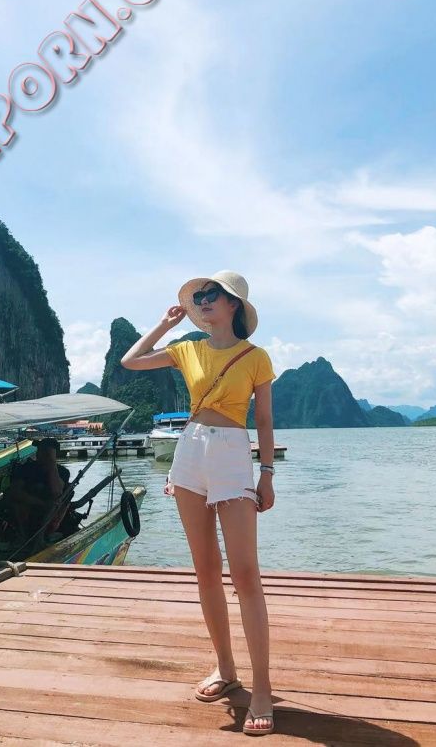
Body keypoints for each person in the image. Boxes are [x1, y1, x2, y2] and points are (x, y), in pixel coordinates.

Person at [121, 270, 277, 736]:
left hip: (232, 453)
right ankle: (226, 668)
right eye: (200, 296)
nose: (203, 300)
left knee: (245, 574)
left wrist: (267, 473)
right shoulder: (186, 349)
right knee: (206, 569)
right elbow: (131, 361)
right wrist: (165, 324)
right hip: (189, 453)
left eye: (213, 295)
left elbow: (264, 421)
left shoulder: (255, 357)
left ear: (234, 306)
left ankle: (263, 686)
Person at [1, 437, 71, 543]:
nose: (39, 454)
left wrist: (51, 464)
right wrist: (40, 503)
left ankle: (49, 533)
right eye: (39, 450)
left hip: (52, 511)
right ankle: (24, 537)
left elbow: (57, 492)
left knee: (65, 500)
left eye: (44, 451)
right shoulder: (26, 468)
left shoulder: (62, 472)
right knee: (19, 505)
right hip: (28, 508)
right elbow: (15, 492)